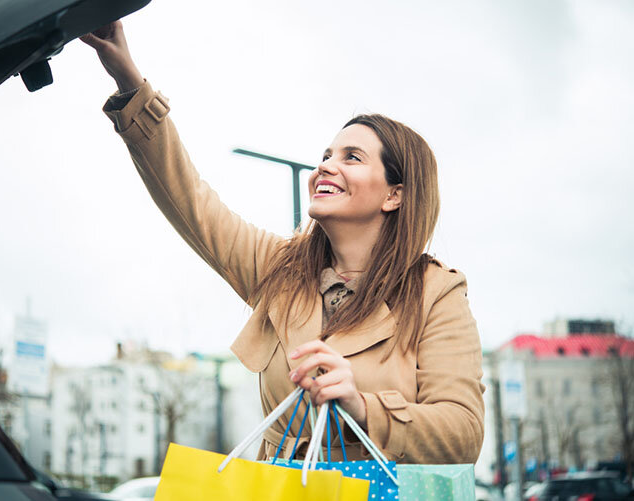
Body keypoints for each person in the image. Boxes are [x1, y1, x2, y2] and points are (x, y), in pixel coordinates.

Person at [81, 21, 484, 464]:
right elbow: (191, 201)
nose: (326, 167)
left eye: (352, 157)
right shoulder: (278, 268)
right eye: (326, 155)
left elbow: (463, 432)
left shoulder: (436, 293)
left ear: (395, 194)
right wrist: (128, 80)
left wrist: (363, 406)